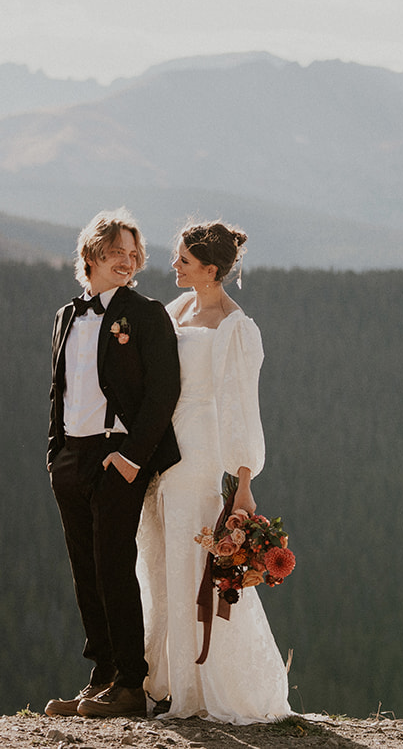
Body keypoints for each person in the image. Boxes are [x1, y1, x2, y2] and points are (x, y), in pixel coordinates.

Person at [137, 220, 292, 723]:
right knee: (160, 557)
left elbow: (243, 407)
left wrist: (243, 483)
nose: (174, 266)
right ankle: (161, 679)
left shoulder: (235, 325)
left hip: (202, 451)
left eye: (183, 260)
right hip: (164, 443)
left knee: (193, 559)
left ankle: (197, 689)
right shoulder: (175, 308)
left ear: (210, 270)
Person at [45, 208, 182, 719]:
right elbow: (58, 391)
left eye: (133, 254)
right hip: (71, 459)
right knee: (85, 571)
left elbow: (165, 390)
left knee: (114, 569)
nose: (127, 261)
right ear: (91, 256)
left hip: (117, 458)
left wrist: (130, 458)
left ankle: (130, 683)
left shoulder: (146, 313)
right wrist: (54, 452)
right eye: (117, 253)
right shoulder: (66, 315)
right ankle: (100, 675)